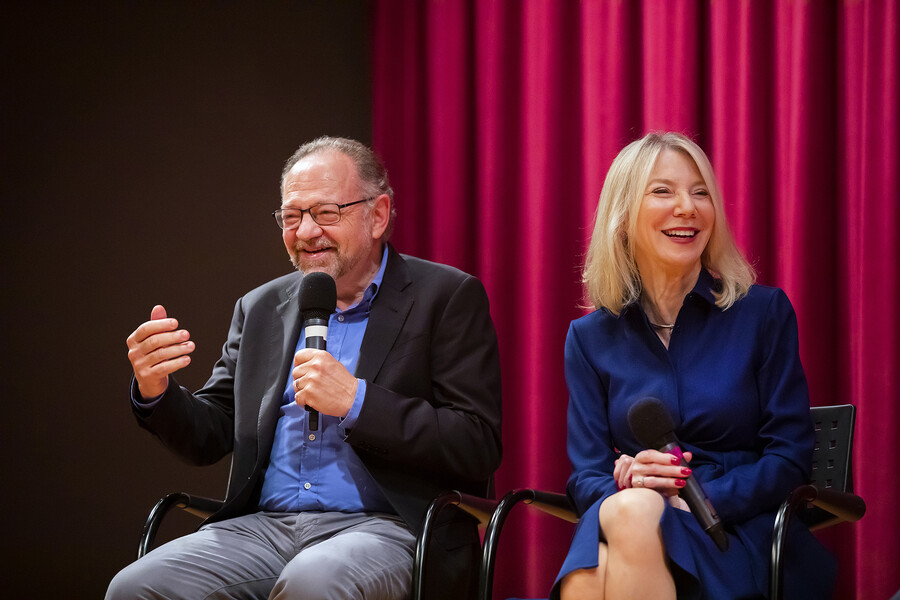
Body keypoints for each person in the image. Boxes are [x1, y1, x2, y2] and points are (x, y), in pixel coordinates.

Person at [107, 136, 502, 600]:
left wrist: (357, 402)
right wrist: (156, 391)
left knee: (314, 582)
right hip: (261, 529)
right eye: (292, 216)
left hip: (387, 527)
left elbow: (476, 442)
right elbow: (210, 434)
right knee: (134, 587)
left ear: (378, 215)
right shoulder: (260, 307)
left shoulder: (445, 297)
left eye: (326, 213)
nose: (307, 231)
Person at [552, 132, 835, 599]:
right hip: (628, 521)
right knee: (619, 528)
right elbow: (586, 476)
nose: (687, 206)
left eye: (700, 191)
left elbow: (788, 459)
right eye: (663, 191)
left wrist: (692, 501)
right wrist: (631, 481)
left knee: (596, 569)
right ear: (622, 218)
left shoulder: (763, 314)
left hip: (736, 530)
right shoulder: (588, 339)